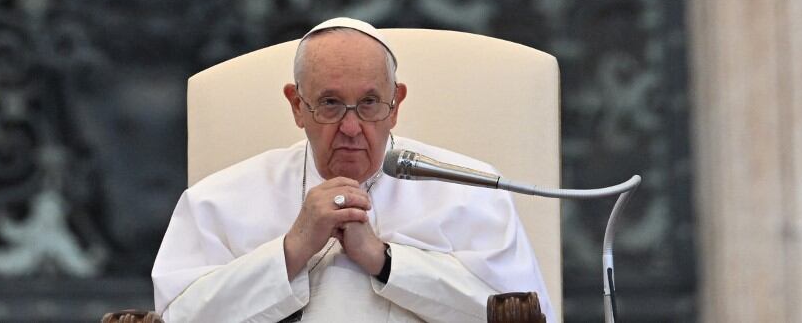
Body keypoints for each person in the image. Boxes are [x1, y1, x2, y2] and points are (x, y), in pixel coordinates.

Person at [152, 18, 556, 322]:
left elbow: (520, 316)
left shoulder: (470, 190)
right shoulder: (220, 200)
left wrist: (385, 262)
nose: (350, 128)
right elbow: (177, 318)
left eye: (369, 103)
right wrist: (291, 251)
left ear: (396, 104)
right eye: (329, 103)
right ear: (296, 106)